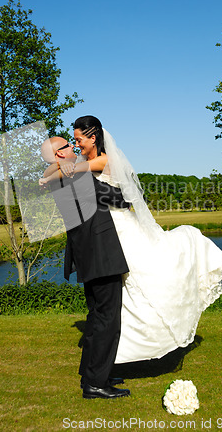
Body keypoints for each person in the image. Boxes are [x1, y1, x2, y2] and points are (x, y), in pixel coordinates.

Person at [42, 116, 222, 366]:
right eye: (73, 142)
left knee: (143, 279)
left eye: (78, 140)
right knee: (122, 294)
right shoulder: (82, 160)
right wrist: (50, 173)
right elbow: (55, 168)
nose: (76, 145)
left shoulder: (103, 160)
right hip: (104, 233)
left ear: (93, 137)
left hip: (119, 228)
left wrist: (59, 171)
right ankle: (115, 355)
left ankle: (139, 341)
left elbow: (77, 171)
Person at [39, 136, 131, 399]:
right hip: (101, 256)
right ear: (59, 155)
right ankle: (95, 384)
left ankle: (92, 372)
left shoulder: (60, 177)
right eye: (68, 146)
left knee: (96, 318)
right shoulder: (75, 177)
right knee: (107, 320)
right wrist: (130, 192)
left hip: (88, 256)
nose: (75, 147)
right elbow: (115, 198)